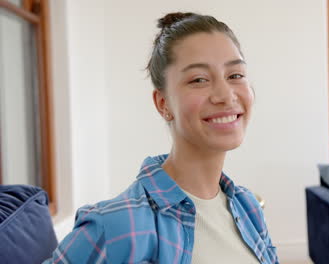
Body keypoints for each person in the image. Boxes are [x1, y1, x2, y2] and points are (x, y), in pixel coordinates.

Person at [44, 12, 278, 264]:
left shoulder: (248, 206)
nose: (225, 94)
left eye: (235, 75)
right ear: (163, 103)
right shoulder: (115, 226)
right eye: (199, 79)